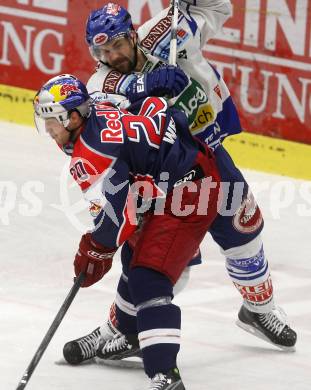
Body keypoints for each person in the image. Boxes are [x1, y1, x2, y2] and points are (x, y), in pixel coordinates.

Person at [63, 0, 297, 366]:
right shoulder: (99, 84)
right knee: (161, 263)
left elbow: (217, 10)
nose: (110, 55)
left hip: (209, 152)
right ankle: (122, 330)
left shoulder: (167, 29)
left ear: (132, 36)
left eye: (117, 46)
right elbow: (110, 108)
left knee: (244, 229)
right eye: (101, 50)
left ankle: (258, 309)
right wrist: (146, 84)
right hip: (162, 180)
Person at [34, 73, 222, 389]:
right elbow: (143, 104)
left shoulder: (91, 154)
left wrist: (95, 248)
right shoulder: (102, 109)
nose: (49, 130)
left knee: (150, 277)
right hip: (176, 176)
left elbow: (115, 220)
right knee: (134, 257)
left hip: (191, 191)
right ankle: (126, 330)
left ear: (76, 117)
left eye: (53, 121)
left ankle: (165, 375)